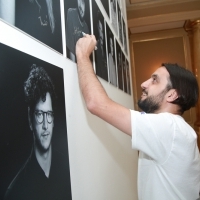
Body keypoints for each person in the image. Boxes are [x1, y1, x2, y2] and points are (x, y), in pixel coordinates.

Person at [75, 34, 200, 200]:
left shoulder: (168, 127)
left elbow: (96, 104)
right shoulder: (175, 128)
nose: (144, 84)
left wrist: (83, 55)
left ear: (172, 95)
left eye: (154, 80)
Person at [4, 65, 71, 200]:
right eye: (39, 114)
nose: (46, 125)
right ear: (30, 119)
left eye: (49, 114)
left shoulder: (68, 168)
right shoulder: (15, 191)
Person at [94, 10, 108, 81]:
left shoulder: (105, 51)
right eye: (100, 29)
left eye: (103, 31)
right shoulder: (95, 47)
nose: (102, 35)